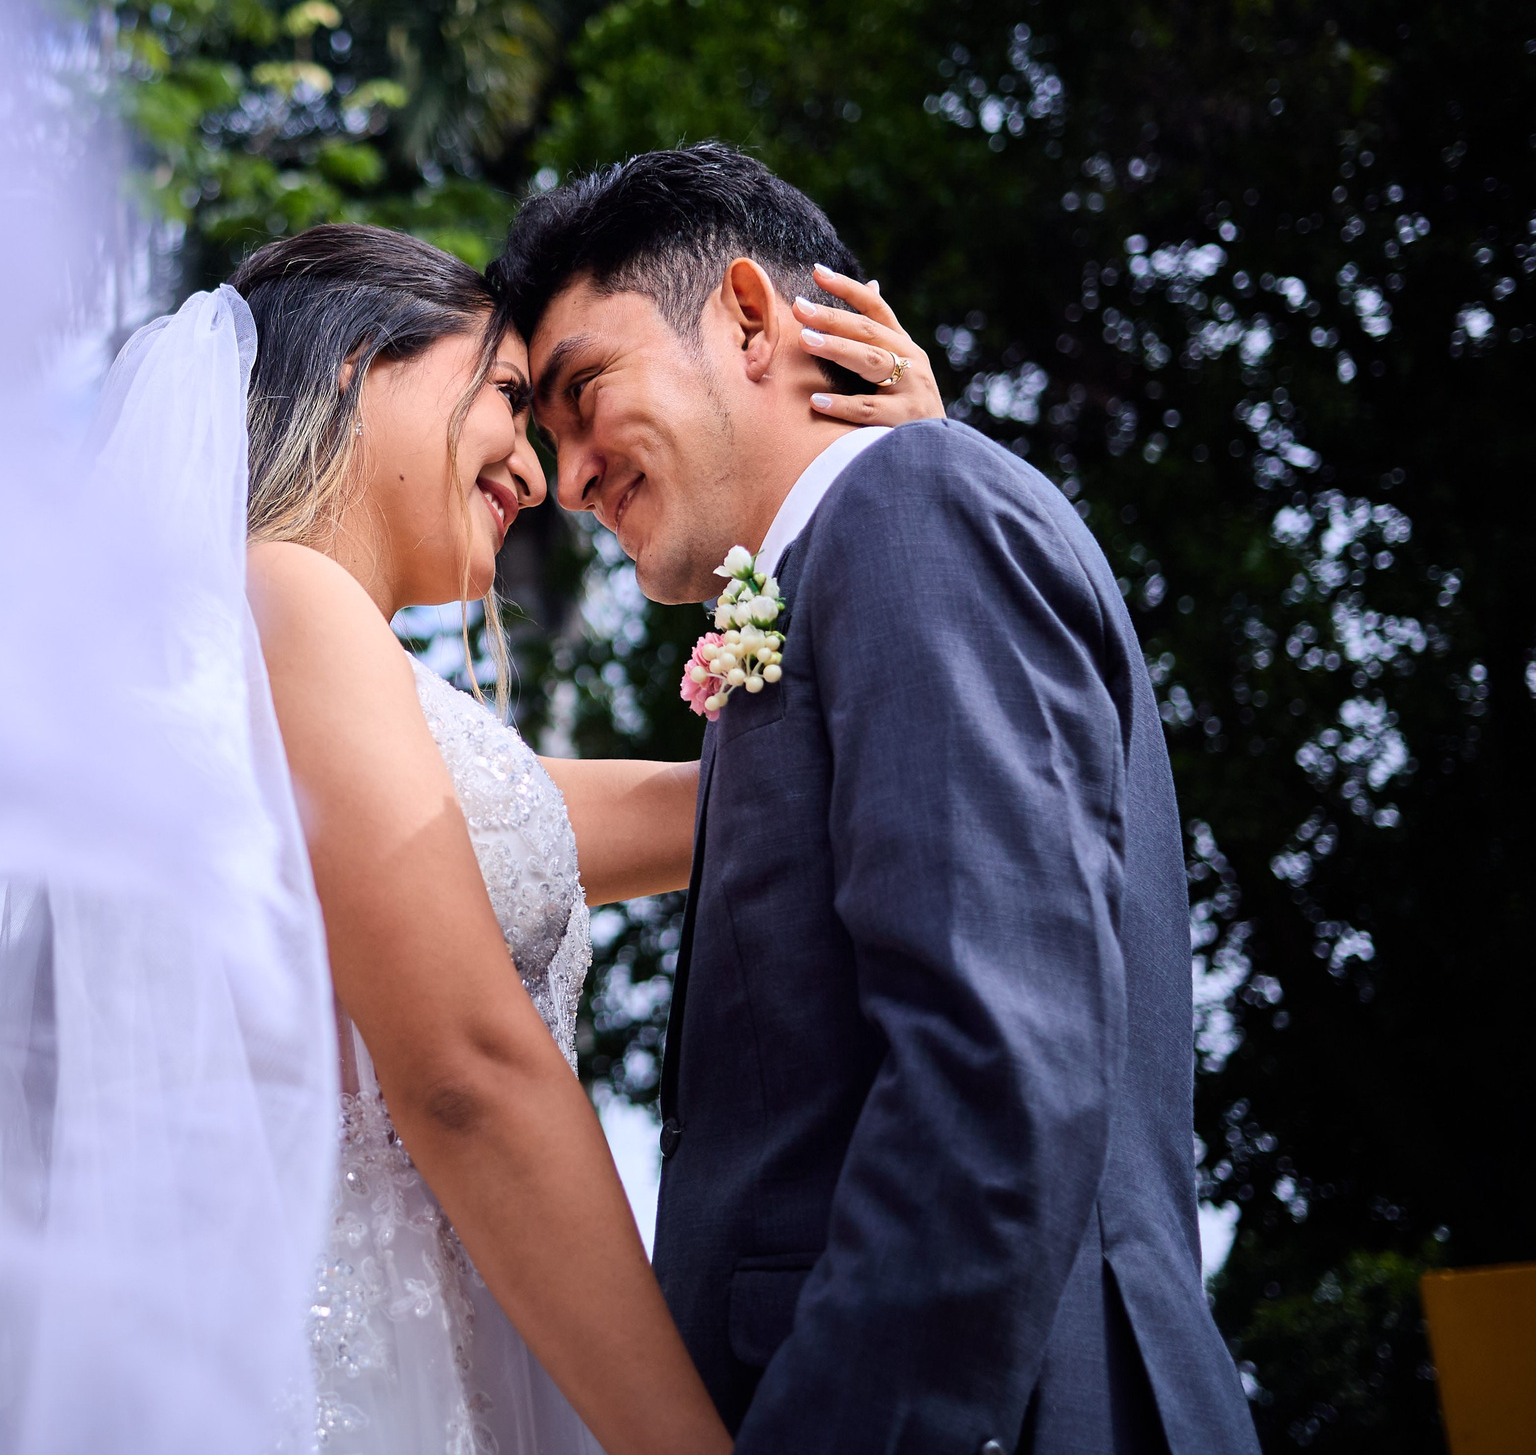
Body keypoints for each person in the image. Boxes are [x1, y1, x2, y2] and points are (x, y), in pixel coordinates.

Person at [488, 144, 1262, 1455]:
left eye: (584, 395)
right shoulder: (853, 555)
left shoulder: (908, 504)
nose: (567, 482)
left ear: (746, 314)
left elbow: (991, 1066)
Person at [228, 222, 943, 1454]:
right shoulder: (287, 595)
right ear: (354, 366)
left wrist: (903, 496)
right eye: (509, 396)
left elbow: (731, 801)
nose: (543, 475)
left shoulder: (330, 685)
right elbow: (468, 1072)